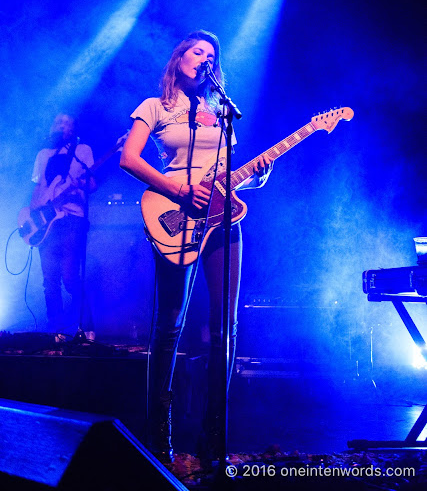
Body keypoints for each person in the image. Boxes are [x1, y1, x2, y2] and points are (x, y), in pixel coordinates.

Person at [120, 30, 273, 462]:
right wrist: (177, 188)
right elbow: (129, 159)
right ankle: (158, 437)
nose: (204, 58)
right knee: (168, 326)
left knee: (226, 327)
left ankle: (213, 440)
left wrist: (258, 174)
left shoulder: (222, 111)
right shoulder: (156, 107)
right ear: (180, 58)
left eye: (211, 54)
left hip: (223, 221)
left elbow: (229, 174)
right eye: (196, 50)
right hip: (174, 213)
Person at [30, 113, 96, 337]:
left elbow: (93, 183)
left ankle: (87, 328)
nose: (62, 126)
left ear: (73, 129)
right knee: (50, 282)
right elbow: (39, 187)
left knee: (69, 278)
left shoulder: (82, 151)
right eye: (58, 122)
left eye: (67, 123)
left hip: (72, 220)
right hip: (46, 222)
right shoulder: (43, 155)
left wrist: (82, 183)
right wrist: (32, 218)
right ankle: (56, 332)